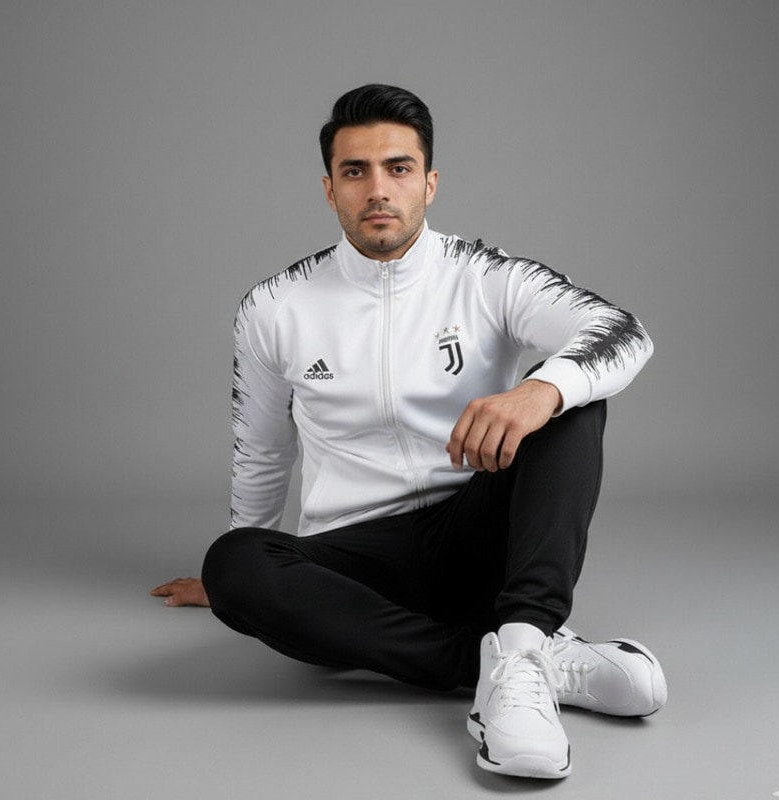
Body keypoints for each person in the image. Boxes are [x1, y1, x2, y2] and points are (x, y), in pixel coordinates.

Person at [151, 84, 667, 780]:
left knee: (571, 396)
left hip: (479, 534)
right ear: (329, 189)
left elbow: (622, 331)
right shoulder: (275, 306)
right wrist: (243, 574)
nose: (378, 190)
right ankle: (522, 662)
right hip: (357, 563)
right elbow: (262, 448)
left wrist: (538, 391)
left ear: (429, 182)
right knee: (233, 561)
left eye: (398, 168)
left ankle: (519, 646)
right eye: (355, 171)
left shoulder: (485, 275)